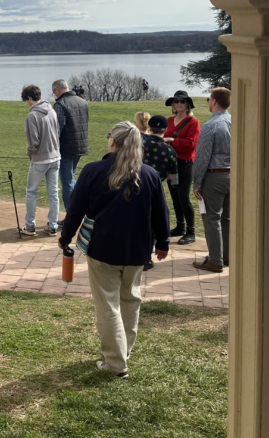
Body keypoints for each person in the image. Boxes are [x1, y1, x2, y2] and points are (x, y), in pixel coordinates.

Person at [59, 121, 170, 378]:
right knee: (130, 300)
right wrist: (163, 242)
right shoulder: (149, 174)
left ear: (113, 141)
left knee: (108, 305)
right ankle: (122, 352)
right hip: (137, 249)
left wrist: (65, 236)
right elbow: (161, 213)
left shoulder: (93, 171)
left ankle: (116, 363)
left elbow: (76, 209)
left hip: (103, 248)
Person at [192, 87, 232, 273]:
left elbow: (202, 158)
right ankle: (226, 255)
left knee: (211, 218)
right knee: (227, 218)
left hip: (215, 175)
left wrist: (197, 183)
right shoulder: (234, 120)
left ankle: (215, 260)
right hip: (233, 175)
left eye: (209, 99)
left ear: (214, 101)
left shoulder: (211, 125)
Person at [20, 84, 60, 237]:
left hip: (39, 159)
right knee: (53, 193)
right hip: (55, 157)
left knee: (31, 192)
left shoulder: (32, 116)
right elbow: (57, 133)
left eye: (26, 100)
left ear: (30, 98)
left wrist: (30, 153)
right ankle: (53, 225)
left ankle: (30, 225)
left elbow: (33, 141)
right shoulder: (52, 111)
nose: (27, 103)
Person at [140, 115, 178, 270]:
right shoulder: (169, 151)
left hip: (136, 184)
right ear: (165, 129)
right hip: (155, 187)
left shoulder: (139, 144)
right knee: (153, 221)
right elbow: (171, 176)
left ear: (149, 127)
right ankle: (147, 256)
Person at [163, 90, 201, 245]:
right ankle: (180, 226)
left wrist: (171, 140)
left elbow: (191, 144)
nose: (179, 104)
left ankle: (190, 231)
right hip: (171, 164)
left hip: (185, 164)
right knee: (174, 196)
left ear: (188, 105)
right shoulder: (169, 120)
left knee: (184, 197)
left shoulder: (193, 122)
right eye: (176, 101)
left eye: (182, 101)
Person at [52, 78, 89, 210]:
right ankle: (77, 211)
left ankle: (71, 216)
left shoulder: (60, 104)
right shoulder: (83, 102)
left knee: (67, 182)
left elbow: (57, 130)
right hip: (81, 145)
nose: (54, 95)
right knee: (71, 179)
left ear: (57, 89)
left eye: (54, 92)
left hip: (66, 147)